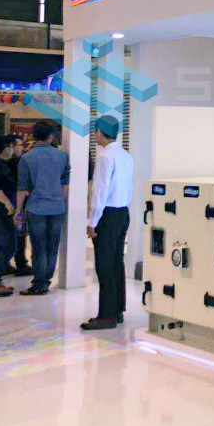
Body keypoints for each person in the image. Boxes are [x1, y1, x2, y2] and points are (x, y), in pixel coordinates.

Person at [82, 115, 133, 330]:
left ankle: (106, 316)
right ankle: (117, 310)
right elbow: (128, 188)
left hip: (107, 216)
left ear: (99, 132)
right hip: (122, 213)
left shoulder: (104, 157)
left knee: (104, 266)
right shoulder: (125, 155)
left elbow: (100, 192)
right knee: (116, 263)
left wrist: (92, 221)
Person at [17, 121, 70, 296]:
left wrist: (18, 210)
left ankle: (39, 282)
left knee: (38, 247)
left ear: (33, 136)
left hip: (36, 207)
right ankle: (46, 280)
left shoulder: (26, 158)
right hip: (57, 207)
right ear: (51, 137)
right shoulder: (62, 156)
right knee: (52, 246)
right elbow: (65, 184)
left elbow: (22, 188)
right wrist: (59, 202)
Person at [0, 136, 17, 297]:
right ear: (4, 148)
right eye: (11, 146)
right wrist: (7, 204)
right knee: (7, 245)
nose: (13, 149)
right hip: (0, 211)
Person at [8, 136, 31, 276]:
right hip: (17, 203)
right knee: (19, 235)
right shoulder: (17, 163)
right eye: (20, 145)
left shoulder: (1, 163)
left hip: (11, 204)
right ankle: (21, 264)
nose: (22, 148)